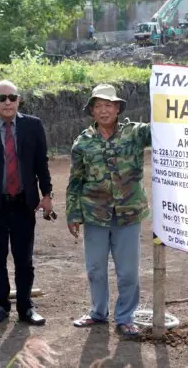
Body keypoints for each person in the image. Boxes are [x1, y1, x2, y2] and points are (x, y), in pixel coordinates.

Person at [66, 84, 151, 340]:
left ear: (117, 108)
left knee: (127, 272)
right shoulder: (82, 143)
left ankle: (125, 317)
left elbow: (162, 129)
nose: (104, 110)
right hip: (94, 215)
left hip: (128, 215)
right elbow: (75, 180)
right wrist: (73, 214)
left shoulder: (135, 133)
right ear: (92, 111)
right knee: (95, 269)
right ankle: (97, 312)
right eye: (98, 106)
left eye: (109, 105)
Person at [0, 80, 53, 326]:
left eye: (12, 98)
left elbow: (41, 164)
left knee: (24, 259)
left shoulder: (33, 126)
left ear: (19, 100)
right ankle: (0, 305)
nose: (7, 102)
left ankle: (26, 308)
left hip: (23, 204)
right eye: (2, 98)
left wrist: (47, 194)